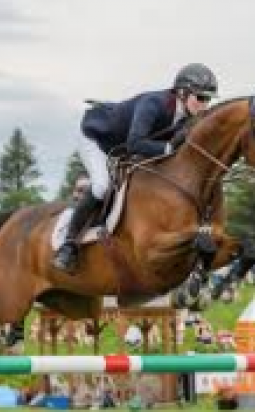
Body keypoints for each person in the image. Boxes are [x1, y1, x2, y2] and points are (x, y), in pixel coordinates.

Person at [53, 63, 219, 272]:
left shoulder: (187, 117)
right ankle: (68, 245)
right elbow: (135, 142)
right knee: (102, 186)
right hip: (97, 139)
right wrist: (169, 147)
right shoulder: (154, 104)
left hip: (123, 148)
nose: (205, 105)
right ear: (183, 93)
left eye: (208, 99)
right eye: (201, 98)